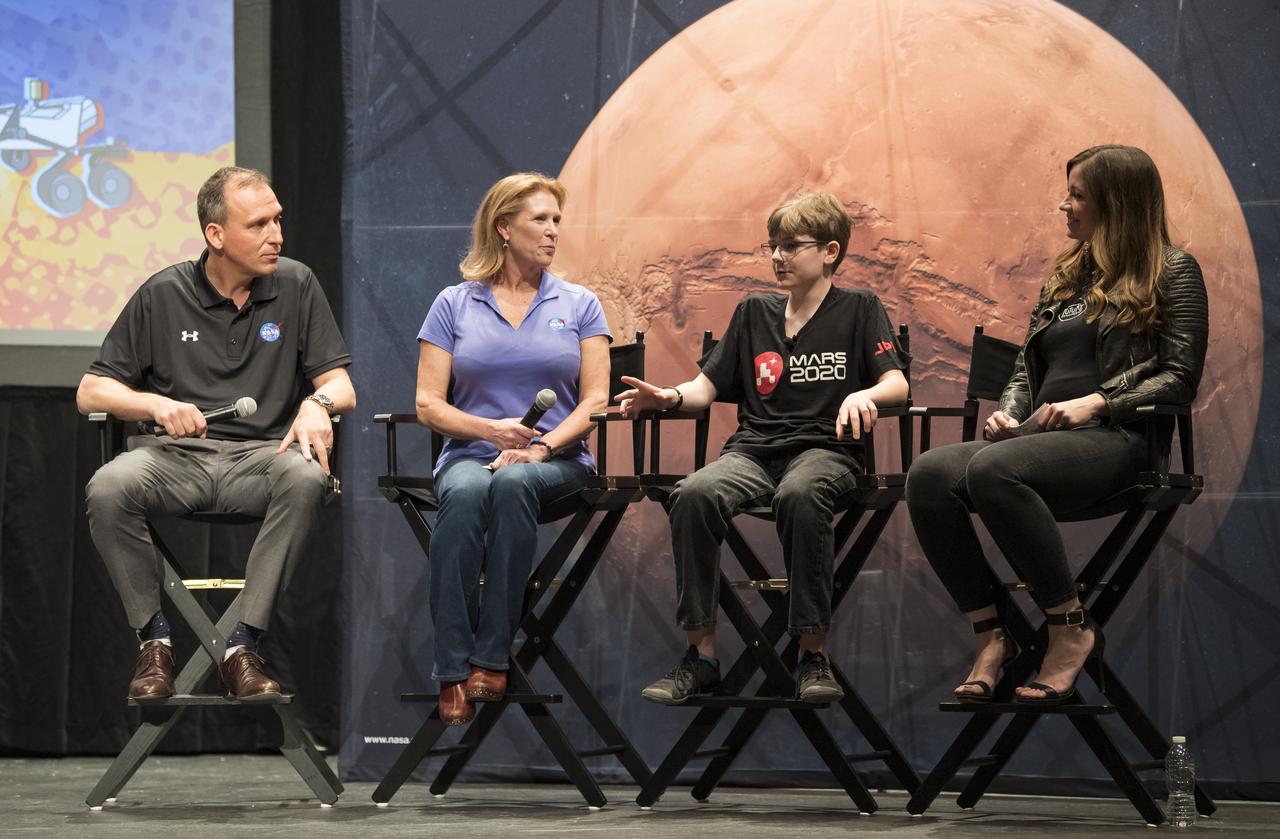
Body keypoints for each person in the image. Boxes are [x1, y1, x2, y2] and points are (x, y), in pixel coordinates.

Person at [905, 145, 1209, 704]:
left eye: (1077, 195)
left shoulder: (1173, 271)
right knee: (926, 473)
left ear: (1116, 203)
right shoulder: (1067, 275)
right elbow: (1027, 364)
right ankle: (993, 634)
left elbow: (1180, 376)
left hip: (1122, 442)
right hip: (1042, 444)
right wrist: (1012, 411)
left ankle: (1069, 630)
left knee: (995, 470)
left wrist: (1099, 402)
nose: (1063, 205)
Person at [619, 191, 910, 704]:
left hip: (826, 451)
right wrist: (667, 396)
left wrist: (863, 393)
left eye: (791, 246)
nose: (777, 257)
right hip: (754, 451)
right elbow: (705, 388)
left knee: (801, 494)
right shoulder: (754, 312)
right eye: (771, 246)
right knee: (692, 494)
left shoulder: (859, 308)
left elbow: (897, 385)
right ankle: (701, 656)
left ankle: (811, 655)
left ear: (830, 251)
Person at [78, 166, 355, 702]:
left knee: (305, 478)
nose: (276, 235)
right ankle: (154, 642)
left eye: (278, 221)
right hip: (173, 460)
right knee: (110, 486)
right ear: (216, 235)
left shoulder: (296, 284)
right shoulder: (162, 293)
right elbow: (91, 391)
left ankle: (241, 646)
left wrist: (318, 403)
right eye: (258, 225)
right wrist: (154, 403)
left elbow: (340, 384)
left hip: (262, 459)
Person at [415, 172, 611, 725]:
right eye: (540, 220)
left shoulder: (580, 304)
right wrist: (490, 431)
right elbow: (429, 405)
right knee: (467, 489)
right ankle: (453, 668)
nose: (553, 232)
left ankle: (491, 656)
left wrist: (541, 446)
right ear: (504, 227)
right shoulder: (454, 304)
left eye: (557, 221)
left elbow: (595, 400)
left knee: (514, 482)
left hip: (558, 464)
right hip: (472, 455)